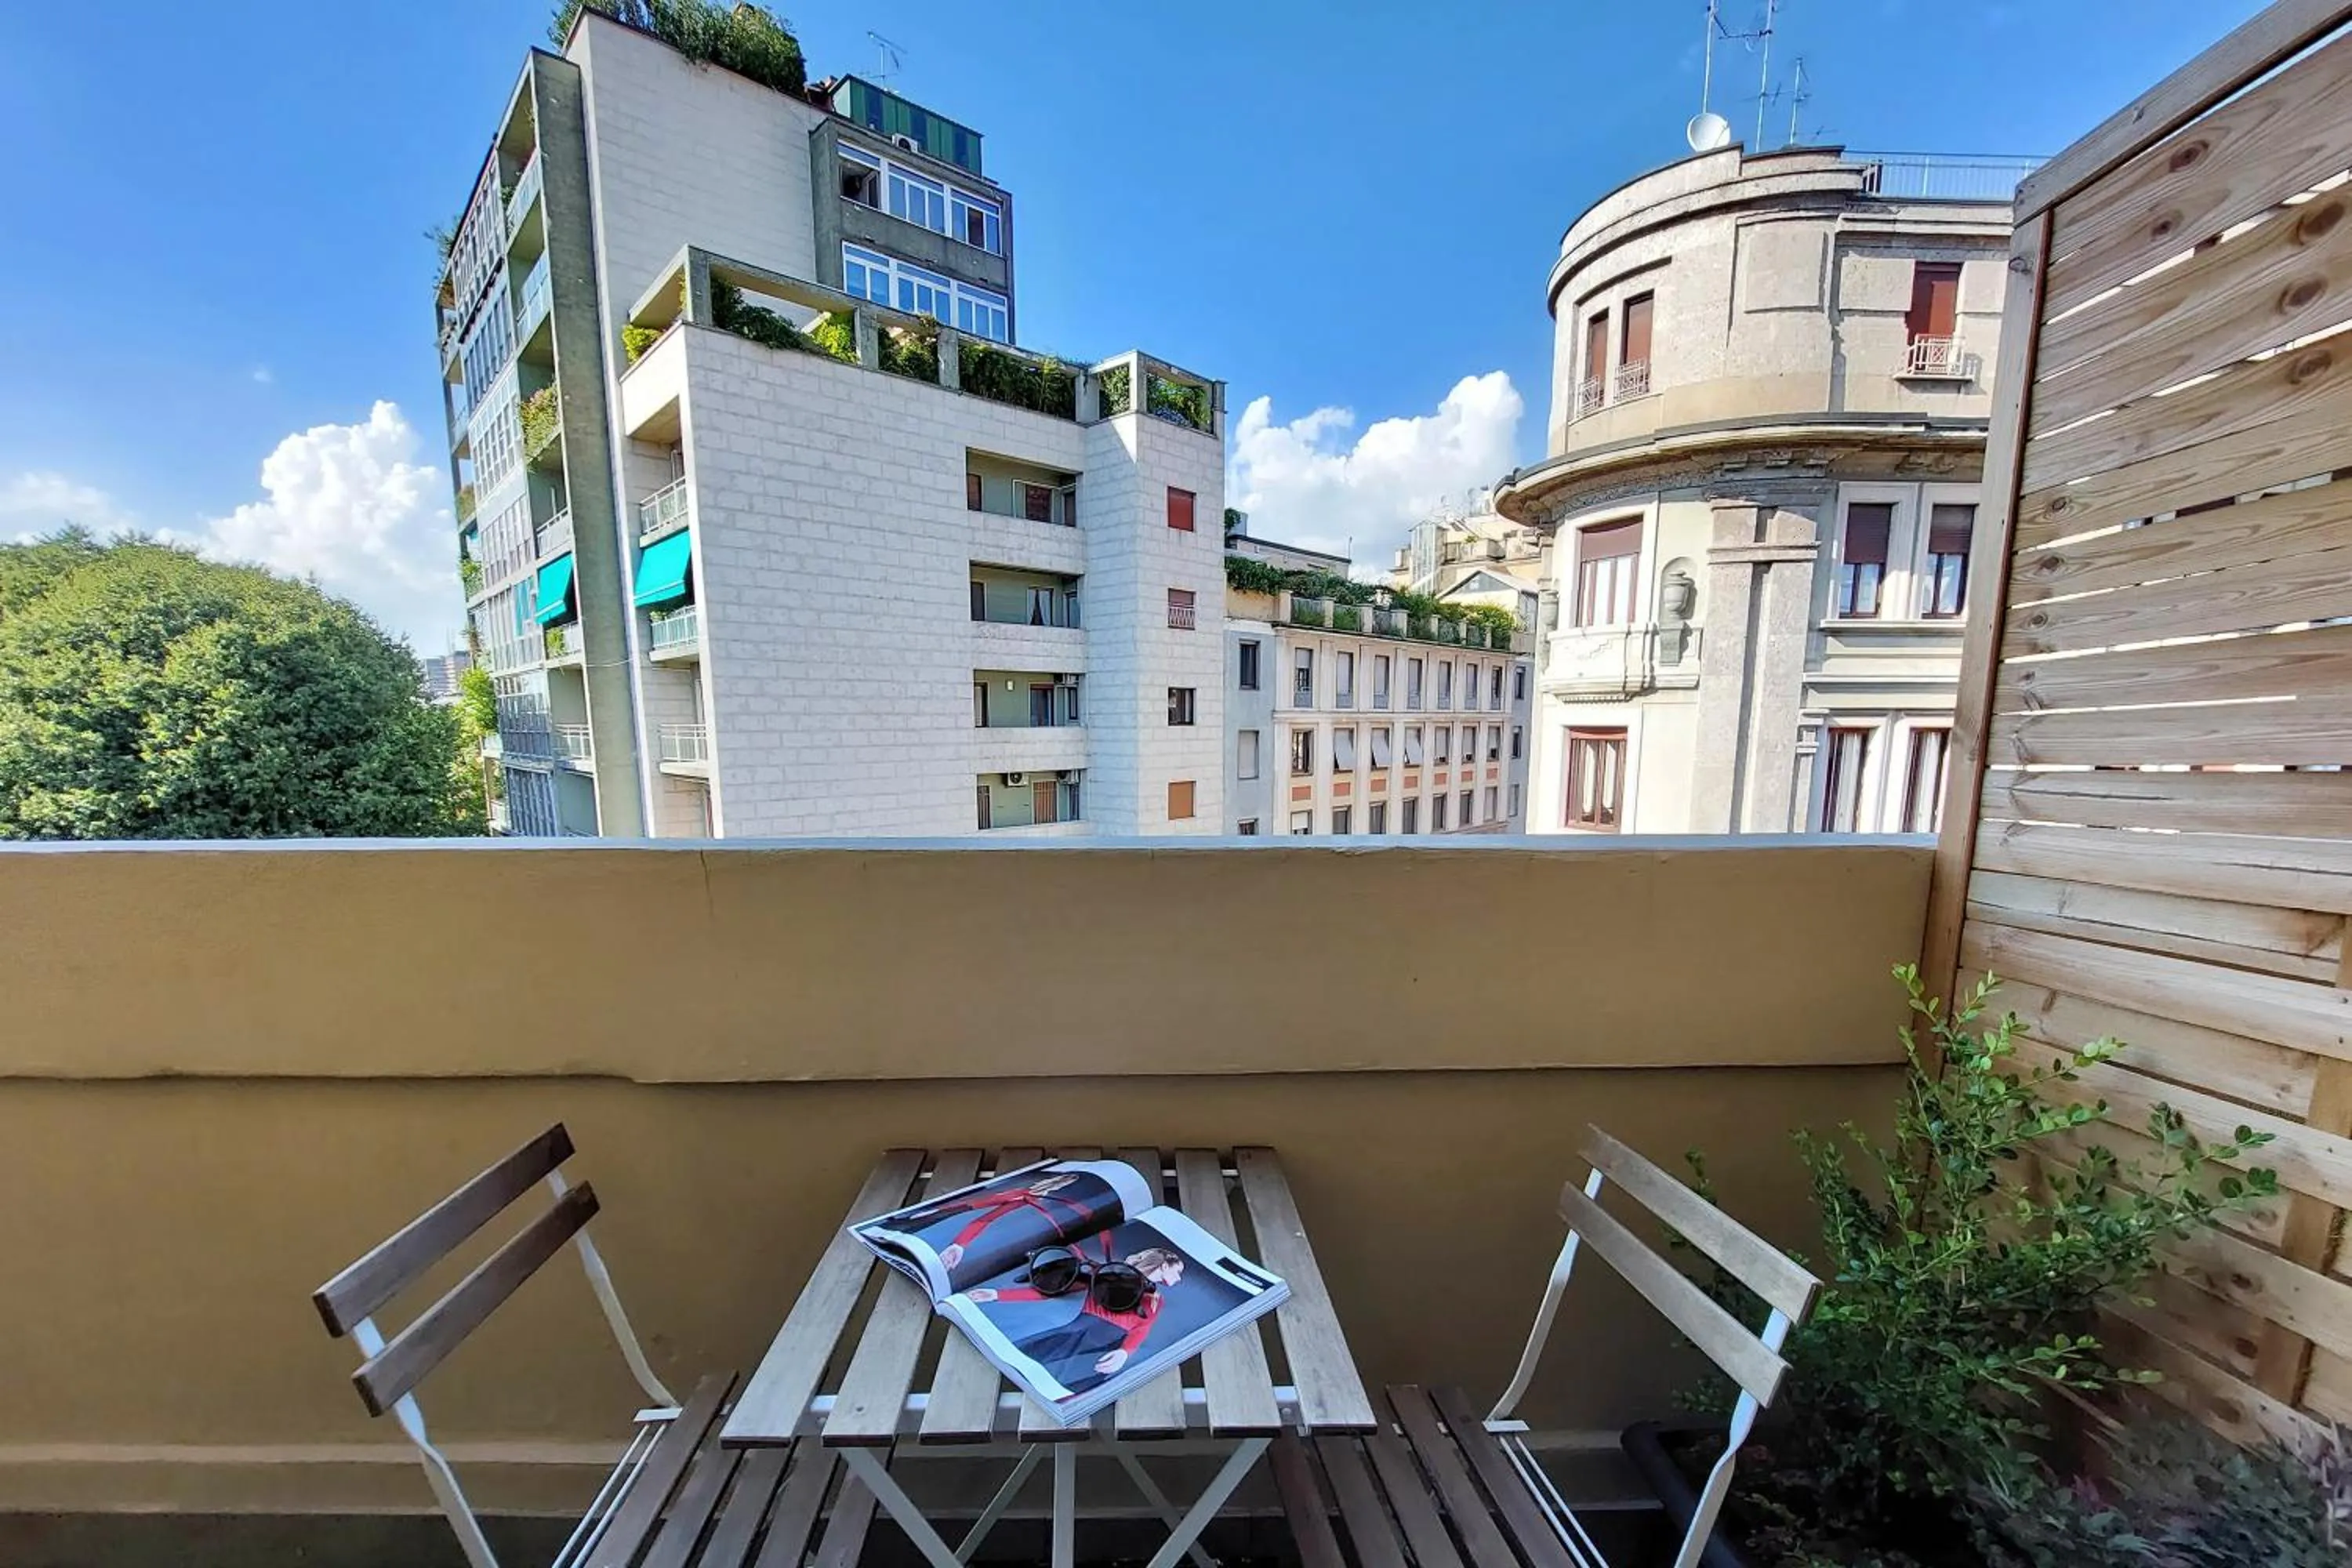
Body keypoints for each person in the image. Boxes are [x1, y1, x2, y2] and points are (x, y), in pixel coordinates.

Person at [968, 1246, 1185, 1388]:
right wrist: (997, 1295)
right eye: (1178, 1272)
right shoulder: (1106, 1273)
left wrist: (1124, 1353)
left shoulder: (1156, 1299)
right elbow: (1052, 1291)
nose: (1179, 1279)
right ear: (1164, 1265)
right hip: (1074, 1334)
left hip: (1104, 1346)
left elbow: (1141, 1329)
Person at [905, 1172, 1092, 1272]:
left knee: (975, 1212)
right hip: (1019, 1196)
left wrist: (959, 1246)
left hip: (1024, 1200)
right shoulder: (1030, 1195)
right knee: (969, 1207)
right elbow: (975, 1208)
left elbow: (985, 1218)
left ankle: (952, 1238)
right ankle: (936, 1217)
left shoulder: (1040, 1201)